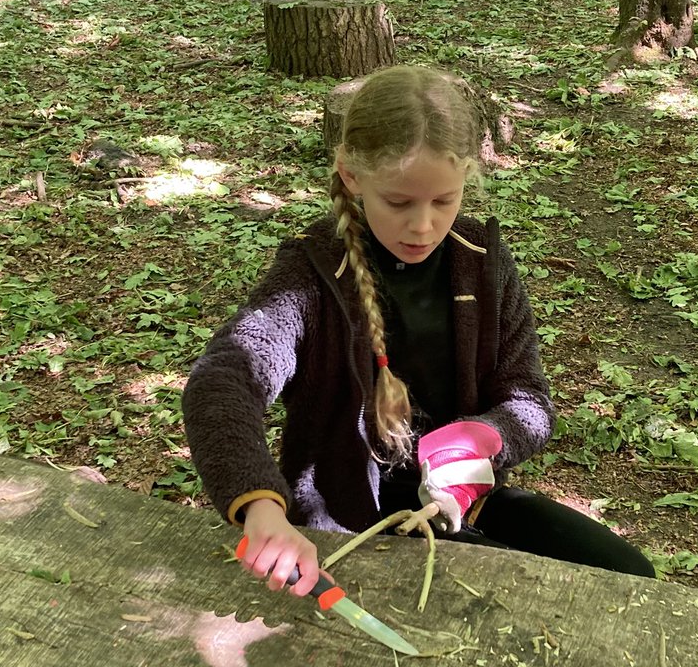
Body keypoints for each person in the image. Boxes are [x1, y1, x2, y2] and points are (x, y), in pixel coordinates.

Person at [182, 65, 655, 596]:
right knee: (518, 597)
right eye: (399, 203)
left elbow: (529, 401)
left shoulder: (481, 261)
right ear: (352, 176)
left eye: (444, 201)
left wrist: (481, 441)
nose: (424, 226)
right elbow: (222, 383)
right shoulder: (313, 275)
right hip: (346, 522)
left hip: (459, 504)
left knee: (628, 577)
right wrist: (263, 509)